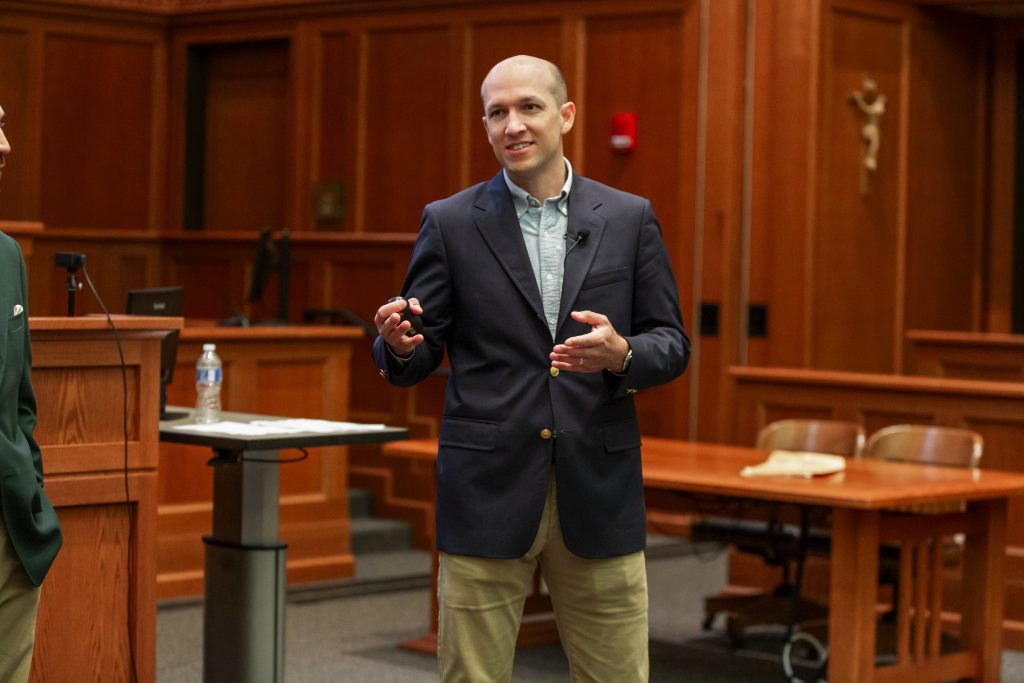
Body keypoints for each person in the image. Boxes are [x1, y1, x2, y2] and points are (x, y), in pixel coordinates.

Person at [372, 55, 689, 682]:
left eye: (529, 108)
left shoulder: (628, 218)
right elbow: (417, 349)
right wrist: (401, 346)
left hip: (598, 487)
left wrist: (622, 354)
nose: (512, 125)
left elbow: (672, 343)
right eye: (497, 113)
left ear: (565, 115)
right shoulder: (451, 222)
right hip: (486, 487)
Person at [0, 105, 63, 682]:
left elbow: (20, 402)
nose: (4, 146)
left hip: (12, 528)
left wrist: (32, 489)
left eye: (3, 125)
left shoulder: (8, 257)